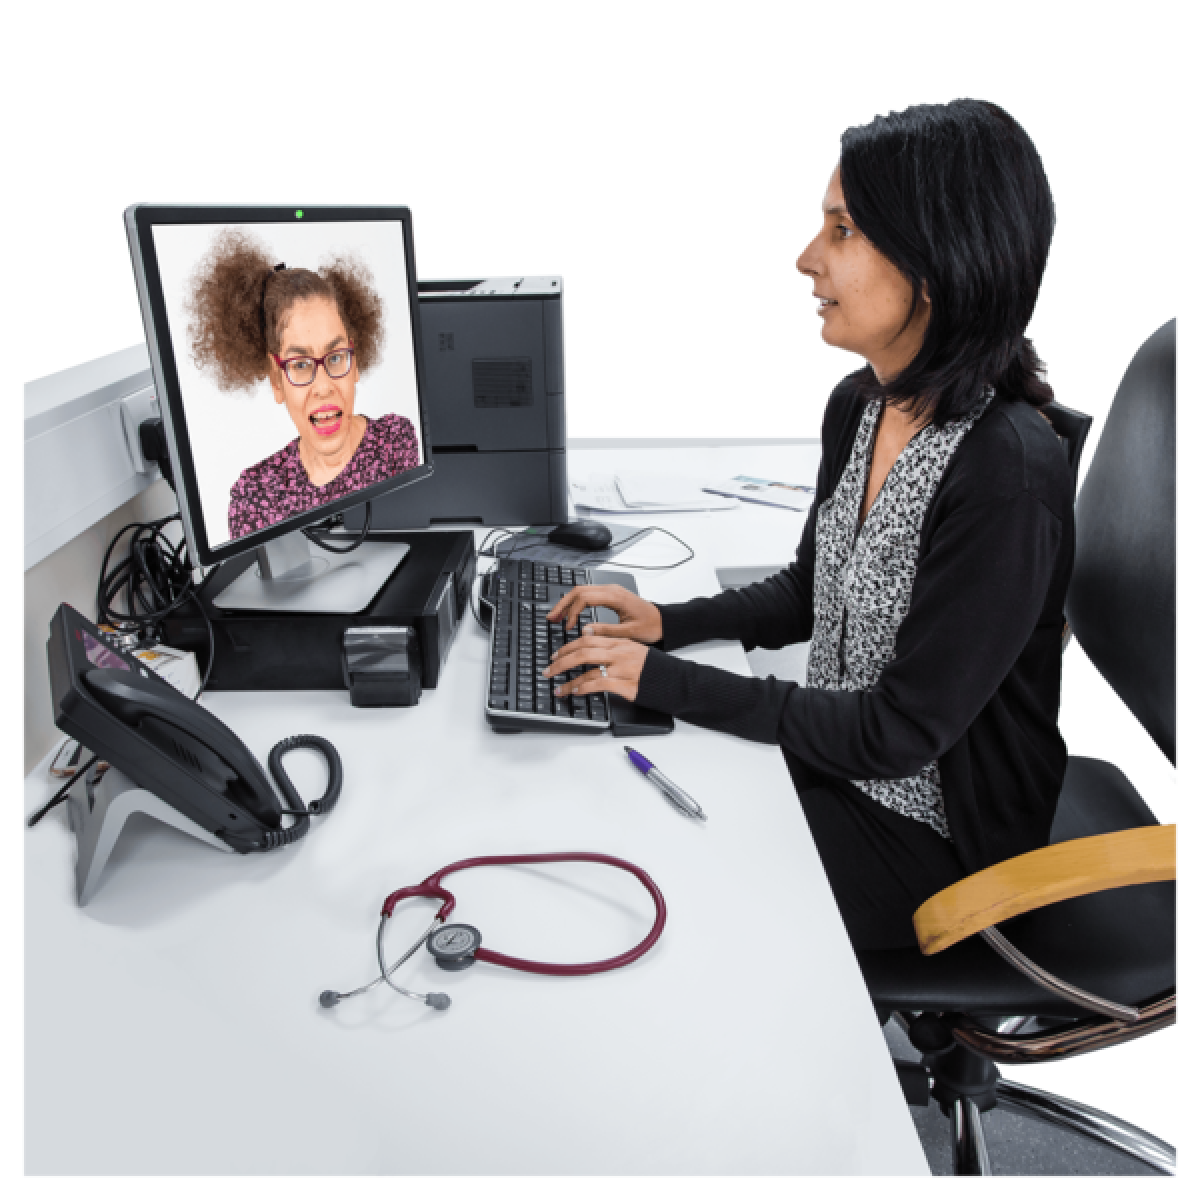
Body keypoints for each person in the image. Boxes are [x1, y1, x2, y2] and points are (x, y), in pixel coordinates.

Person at [545, 99, 1074, 952]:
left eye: (843, 230)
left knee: (677, 898)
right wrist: (668, 627)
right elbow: (808, 592)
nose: (806, 258)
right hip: (843, 768)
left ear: (933, 266)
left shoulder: (1005, 476)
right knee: (620, 800)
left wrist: (662, 680)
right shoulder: (864, 403)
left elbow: (897, 733)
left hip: (943, 848)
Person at [185, 230, 420, 540]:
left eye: (335, 358)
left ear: (356, 362)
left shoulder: (395, 443)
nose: (322, 387)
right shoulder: (254, 497)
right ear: (276, 380)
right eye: (300, 365)